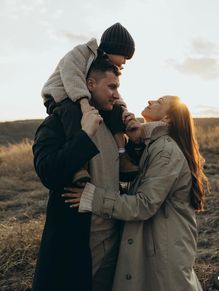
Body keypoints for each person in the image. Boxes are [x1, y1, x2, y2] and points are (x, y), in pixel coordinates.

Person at [64, 96, 209, 291]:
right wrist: (137, 141)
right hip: (158, 248)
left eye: (159, 101)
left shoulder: (165, 151)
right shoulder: (155, 146)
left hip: (164, 257)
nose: (150, 101)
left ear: (167, 118)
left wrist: (94, 198)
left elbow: (144, 204)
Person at [32, 57, 134, 291]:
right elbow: (48, 172)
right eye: (111, 87)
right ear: (90, 84)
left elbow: (124, 174)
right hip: (73, 248)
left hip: (112, 245)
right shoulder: (57, 123)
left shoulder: (111, 126)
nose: (117, 95)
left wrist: (135, 140)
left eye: (117, 88)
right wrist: (84, 135)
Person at [41, 22, 138, 184]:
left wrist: (122, 110)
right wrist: (85, 105)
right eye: (124, 56)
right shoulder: (82, 52)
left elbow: (112, 92)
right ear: (115, 49)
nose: (125, 61)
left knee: (115, 111)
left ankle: (122, 155)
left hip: (83, 97)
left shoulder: (103, 68)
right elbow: (72, 77)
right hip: (60, 95)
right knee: (72, 112)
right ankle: (79, 166)